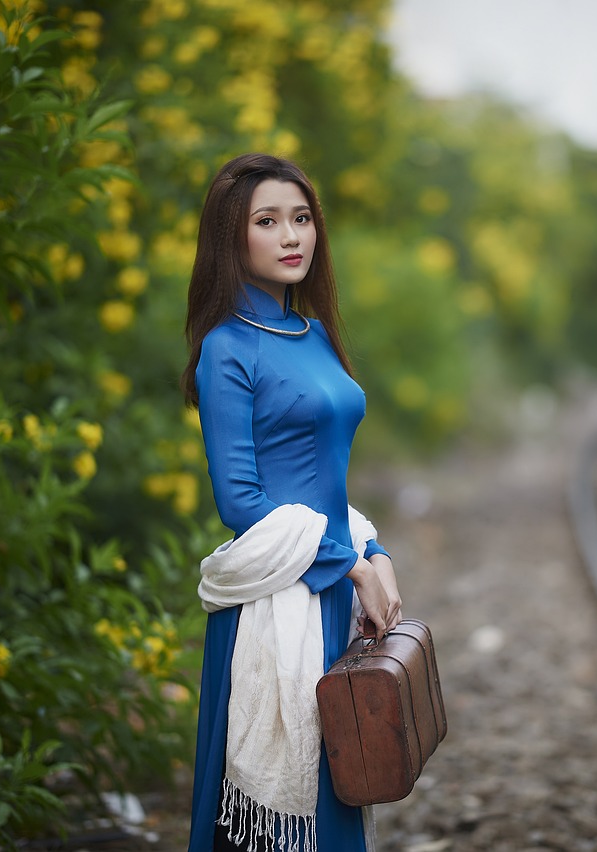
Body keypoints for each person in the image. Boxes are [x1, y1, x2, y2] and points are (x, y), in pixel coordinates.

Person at [181, 153, 402, 852]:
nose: (291, 236)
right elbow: (240, 501)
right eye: (268, 221)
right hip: (278, 598)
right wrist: (353, 566)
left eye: (301, 218)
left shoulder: (316, 335)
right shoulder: (227, 349)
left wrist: (375, 553)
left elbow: (324, 484)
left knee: (333, 792)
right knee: (271, 823)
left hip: (332, 585)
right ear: (231, 238)